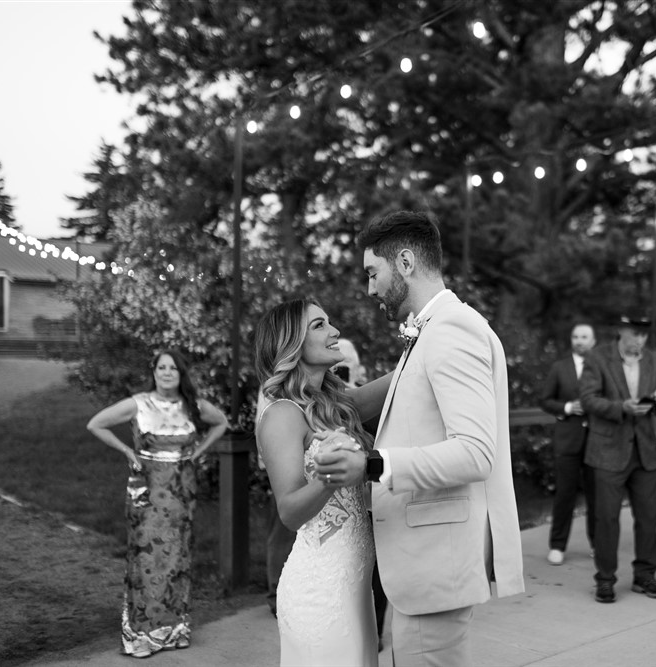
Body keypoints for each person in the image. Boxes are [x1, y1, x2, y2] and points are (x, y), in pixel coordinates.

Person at [314, 210, 524, 666]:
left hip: (436, 566)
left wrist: (373, 464)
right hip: (424, 566)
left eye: (374, 273)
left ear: (405, 262)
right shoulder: (430, 330)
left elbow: (475, 453)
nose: (370, 288)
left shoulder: (452, 330)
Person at [253, 300, 391, 666]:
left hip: (357, 588)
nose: (335, 332)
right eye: (319, 325)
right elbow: (288, 512)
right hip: (320, 595)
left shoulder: (335, 403)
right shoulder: (282, 415)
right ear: (291, 343)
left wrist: (423, 340)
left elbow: (398, 381)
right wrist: (330, 477)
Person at [87, 350, 229, 658]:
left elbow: (221, 423)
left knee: (178, 554)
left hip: (181, 488)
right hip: (148, 488)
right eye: (161, 367)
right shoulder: (138, 403)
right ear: (154, 372)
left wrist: (198, 452)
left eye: (173, 368)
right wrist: (127, 451)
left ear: (181, 374)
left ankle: (174, 629)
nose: (166, 373)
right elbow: (95, 424)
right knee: (146, 555)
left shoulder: (192, 405)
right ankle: (143, 633)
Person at [579, 315, 656, 603]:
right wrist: (622, 407)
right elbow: (588, 399)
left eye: (644, 335)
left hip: (645, 451)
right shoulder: (597, 357)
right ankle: (605, 580)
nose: (640, 340)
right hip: (608, 451)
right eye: (634, 334)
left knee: (648, 518)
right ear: (621, 331)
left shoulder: (653, 360)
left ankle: (645, 575)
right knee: (606, 518)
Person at [539, 322, 597, 566]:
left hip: (596, 440)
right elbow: (545, 400)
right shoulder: (559, 368)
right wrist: (566, 407)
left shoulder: (602, 366)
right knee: (565, 494)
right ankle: (558, 545)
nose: (579, 341)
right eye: (575, 337)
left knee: (597, 495)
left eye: (584, 337)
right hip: (567, 440)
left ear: (593, 341)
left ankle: (598, 543)